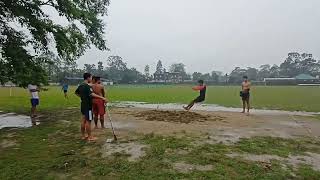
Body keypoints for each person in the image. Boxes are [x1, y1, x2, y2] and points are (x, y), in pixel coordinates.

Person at [75, 73, 106, 141]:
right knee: (88, 121)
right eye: (91, 77)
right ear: (88, 78)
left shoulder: (81, 85)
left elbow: (76, 93)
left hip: (83, 104)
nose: (91, 79)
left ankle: (83, 136)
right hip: (88, 105)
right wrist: (102, 98)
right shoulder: (87, 86)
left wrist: (82, 97)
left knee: (83, 120)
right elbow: (92, 94)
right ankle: (90, 137)